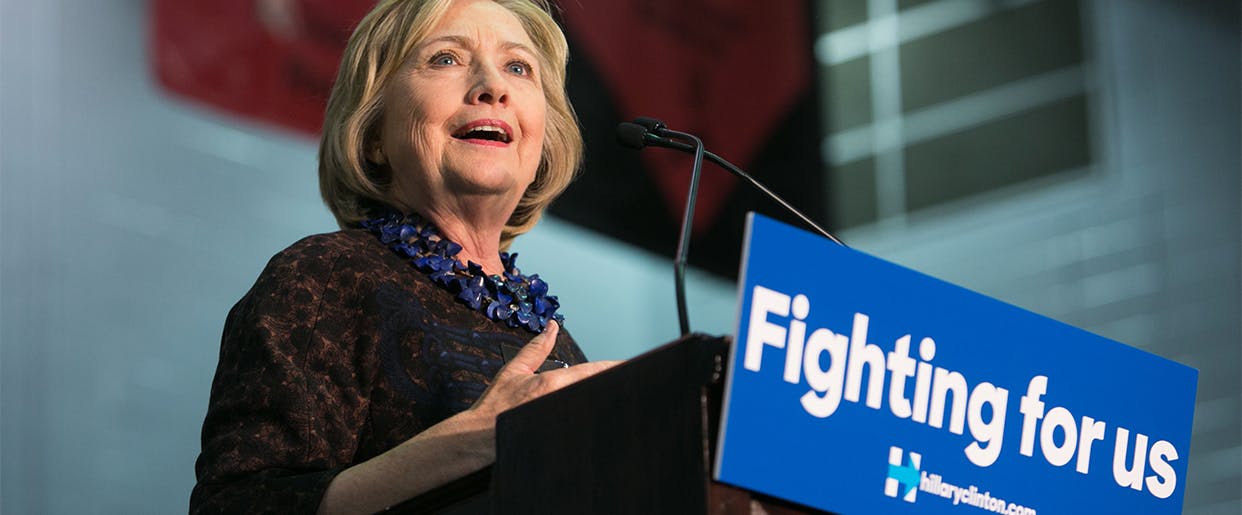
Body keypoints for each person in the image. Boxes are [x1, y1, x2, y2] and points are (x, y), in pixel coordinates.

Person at [189, 0, 616, 512]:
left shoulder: (556, 341)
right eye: (446, 58)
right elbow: (237, 504)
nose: (493, 87)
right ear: (374, 134)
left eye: (518, 67)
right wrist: (470, 442)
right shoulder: (327, 277)